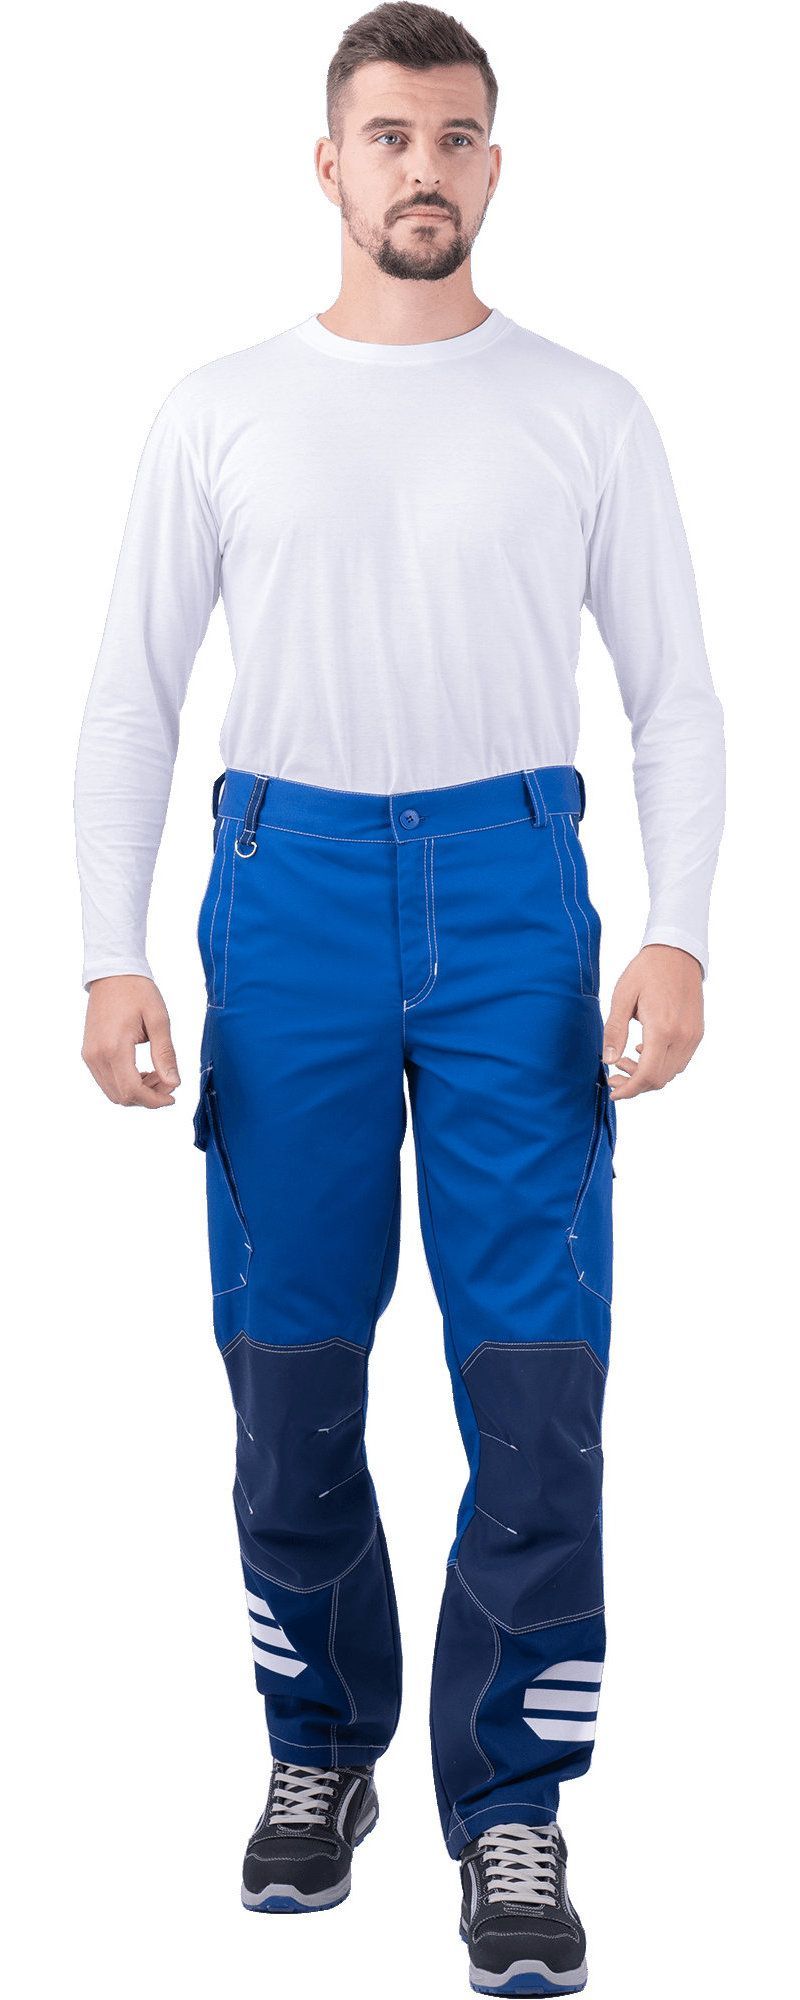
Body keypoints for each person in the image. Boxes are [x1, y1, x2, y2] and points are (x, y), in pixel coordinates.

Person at [73, 5, 726, 1994]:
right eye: (387, 135)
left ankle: (511, 1798)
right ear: (328, 164)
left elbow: (674, 695)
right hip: (288, 900)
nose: (421, 166)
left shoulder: (587, 408)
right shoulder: (219, 408)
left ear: (493, 165)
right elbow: (132, 693)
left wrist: (678, 927)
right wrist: (112, 946)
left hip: (518, 897)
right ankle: (320, 1745)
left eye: (454, 134)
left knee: (535, 1377)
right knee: (289, 1369)